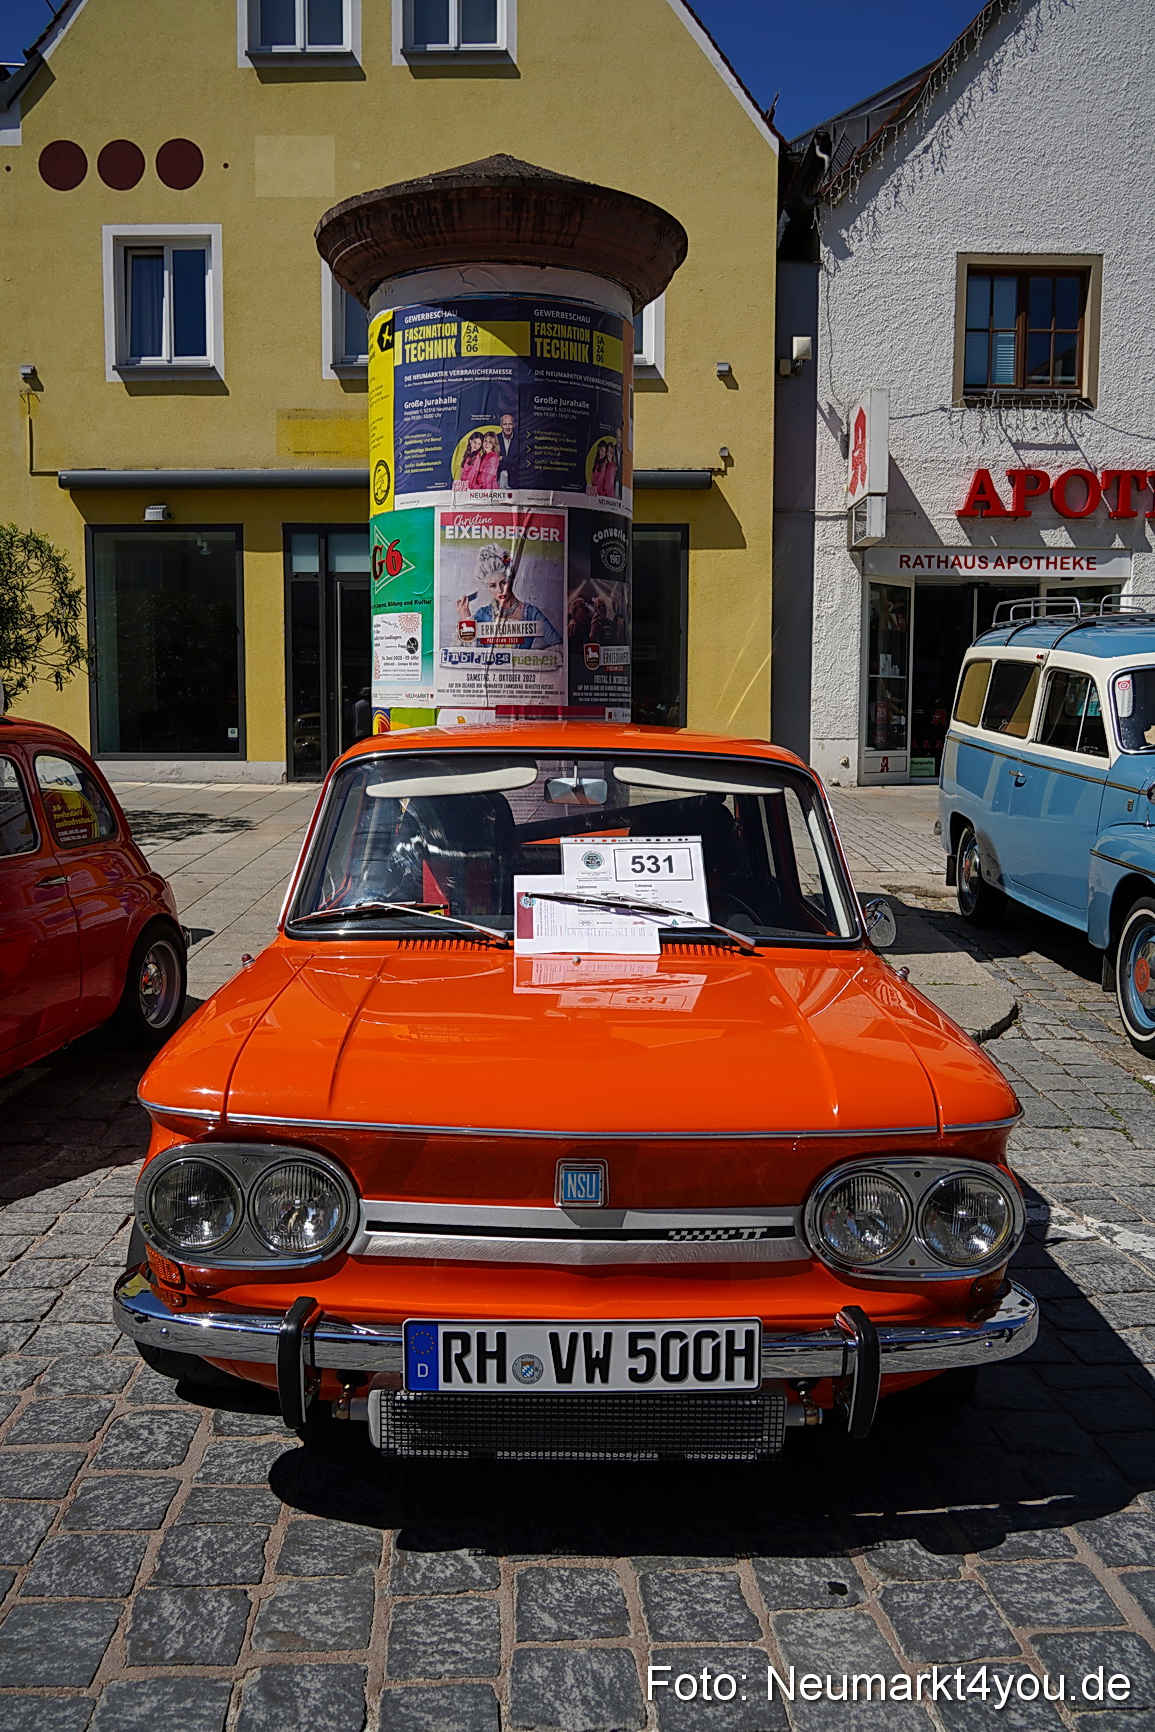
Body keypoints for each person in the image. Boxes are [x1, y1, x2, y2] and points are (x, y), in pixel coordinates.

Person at [459, 544, 561, 648]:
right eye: (493, 586)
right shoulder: (483, 614)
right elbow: (468, 652)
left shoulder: (531, 613)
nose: (500, 590)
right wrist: (466, 619)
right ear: (488, 588)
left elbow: (559, 645)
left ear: (511, 580)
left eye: (503, 583)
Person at [497, 412, 518, 490]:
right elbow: (493, 460)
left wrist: (503, 459)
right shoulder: (495, 438)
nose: (507, 427)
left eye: (510, 424)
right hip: (498, 480)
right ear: (501, 425)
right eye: (505, 424)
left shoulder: (519, 440)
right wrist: (510, 462)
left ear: (513, 425)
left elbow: (519, 461)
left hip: (515, 481)